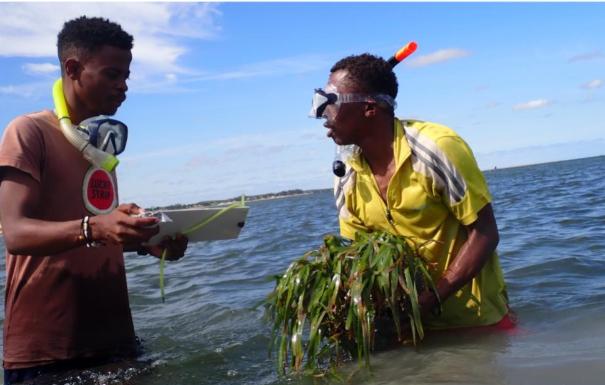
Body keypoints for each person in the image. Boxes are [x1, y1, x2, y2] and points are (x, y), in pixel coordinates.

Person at [0, 16, 187, 384]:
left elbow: (91, 232)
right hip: (47, 354)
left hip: (116, 343)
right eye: (112, 75)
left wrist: (143, 241)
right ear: (73, 68)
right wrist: (97, 226)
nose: (123, 87)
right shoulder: (28, 132)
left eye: (127, 76)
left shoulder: (100, 150)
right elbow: (17, 234)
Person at [310, 53, 513, 335]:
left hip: (475, 322)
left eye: (330, 103)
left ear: (369, 108)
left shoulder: (438, 147)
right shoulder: (346, 173)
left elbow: (485, 233)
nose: (322, 116)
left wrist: (428, 302)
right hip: (409, 331)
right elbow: (357, 256)